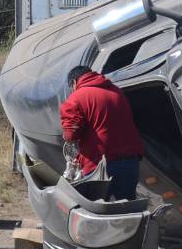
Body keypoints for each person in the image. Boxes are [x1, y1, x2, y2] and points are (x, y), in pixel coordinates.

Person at [60, 66, 145, 201]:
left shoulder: (75, 98)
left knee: (96, 209)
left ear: (74, 82)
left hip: (101, 165)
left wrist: (65, 135)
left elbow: (71, 135)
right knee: (127, 208)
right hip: (130, 161)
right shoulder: (117, 91)